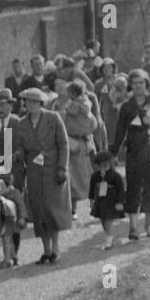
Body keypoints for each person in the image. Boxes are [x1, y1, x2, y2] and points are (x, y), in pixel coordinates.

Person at [12, 87, 72, 263]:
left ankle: (55, 248)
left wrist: (62, 167)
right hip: (34, 172)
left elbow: (63, 144)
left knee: (52, 210)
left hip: (53, 170)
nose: (31, 105)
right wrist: (18, 154)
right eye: (28, 102)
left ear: (41, 103)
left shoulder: (53, 118)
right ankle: (46, 250)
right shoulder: (22, 123)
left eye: (34, 102)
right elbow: (21, 147)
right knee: (39, 211)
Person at [111, 69, 150, 239]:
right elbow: (120, 130)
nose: (139, 86)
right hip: (134, 150)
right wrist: (114, 151)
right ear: (130, 85)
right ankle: (133, 227)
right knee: (133, 186)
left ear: (147, 84)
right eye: (135, 83)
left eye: (142, 82)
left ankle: (149, 224)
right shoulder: (127, 107)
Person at [57, 80, 98, 218]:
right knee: (77, 177)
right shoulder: (87, 104)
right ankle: (78, 207)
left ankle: (88, 205)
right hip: (82, 143)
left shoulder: (73, 106)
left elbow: (68, 119)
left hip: (79, 143)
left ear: (73, 93)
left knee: (80, 177)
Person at [89, 151, 127, 250]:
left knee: (108, 220)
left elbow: (121, 189)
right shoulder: (95, 176)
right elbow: (92, 189)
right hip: (100, 201)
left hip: (111, 201)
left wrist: (120, 202)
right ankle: (110, 236)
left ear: (110, 163)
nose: (103, 167)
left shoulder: (115, 175)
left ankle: (109, 240)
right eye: (100, 165)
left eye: (105, 164)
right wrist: (91, 201)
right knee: (102, 220)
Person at [0, 173, 27, 269]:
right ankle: (14, 257)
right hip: (11, 221)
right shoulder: (13, 192)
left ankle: (7, 260)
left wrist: (22, 217)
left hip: (10, 221)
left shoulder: (11, 193)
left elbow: (21, 206)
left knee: (6, 240)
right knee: (10, 240)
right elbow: (21, 206)